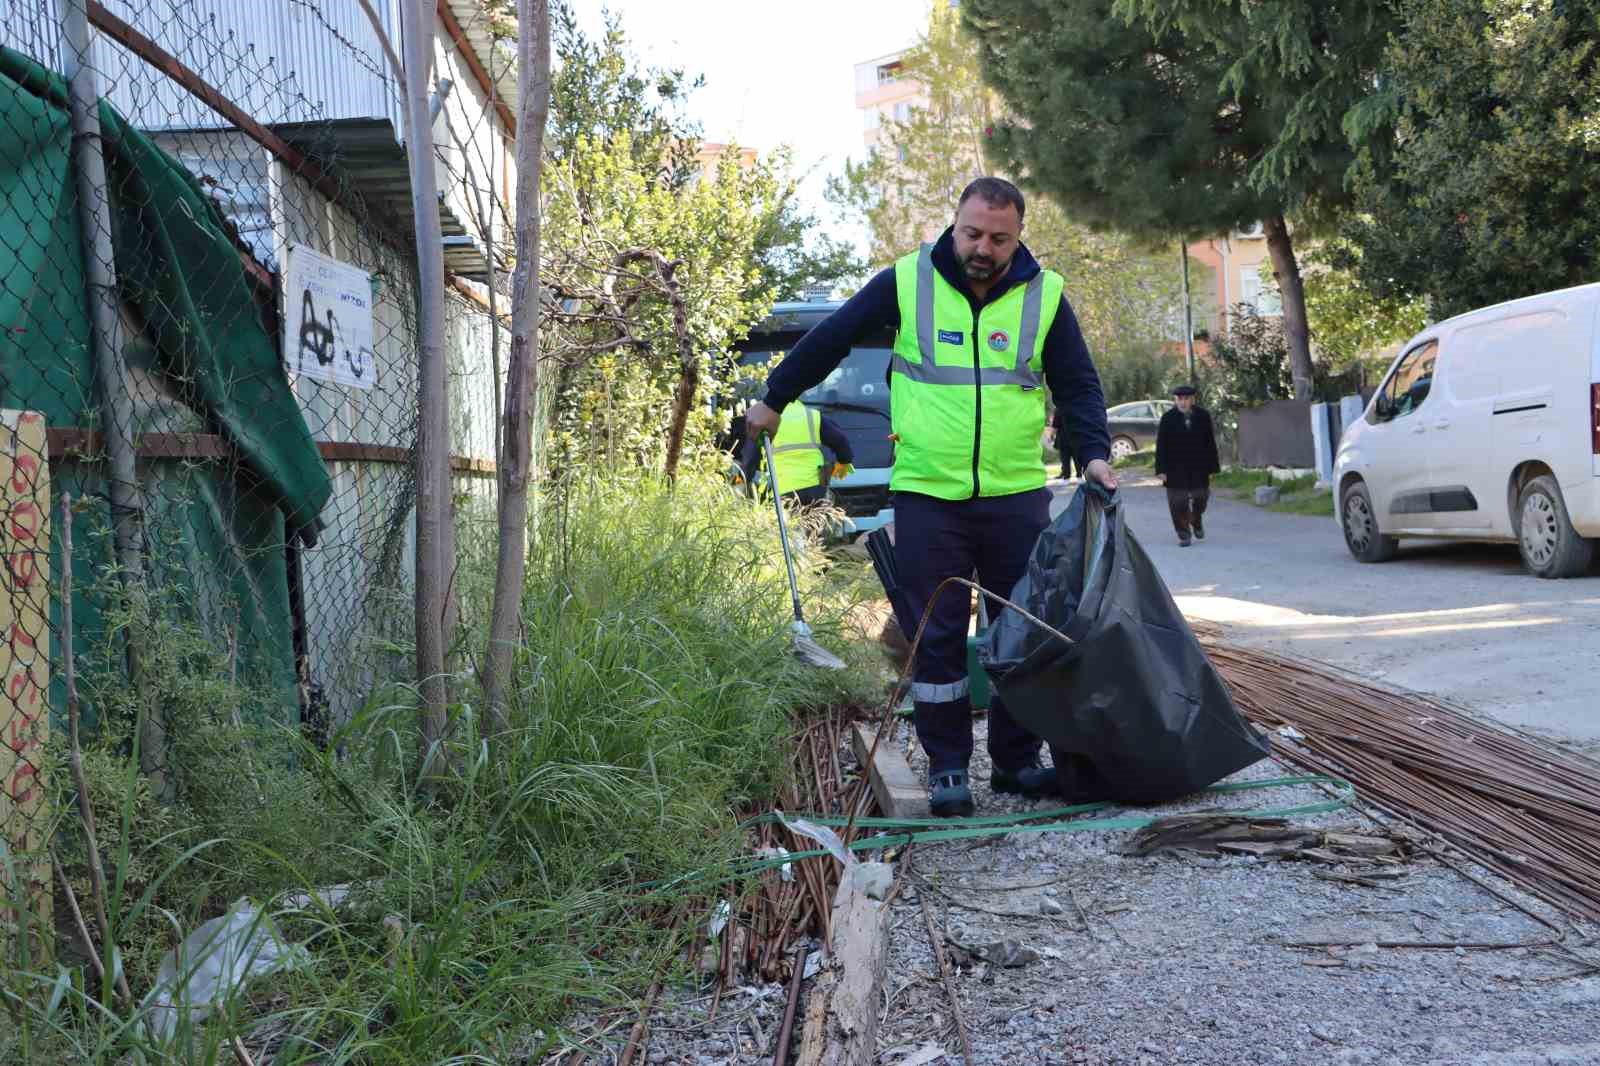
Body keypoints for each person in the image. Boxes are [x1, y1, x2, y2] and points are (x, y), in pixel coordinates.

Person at [744, 176, 1118, 817]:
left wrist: (1096, 456)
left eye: (1000, 239)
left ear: (1018, 237)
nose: (983, 248)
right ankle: (948, 769)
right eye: (973, 233)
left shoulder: (1044, 296)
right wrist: (775, 397)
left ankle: (1016, 762)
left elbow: (1078, 385)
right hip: (927, 494)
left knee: (1017, 633)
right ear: (955, 224)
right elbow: (832, 336)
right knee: (937, 639)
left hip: (1015, 494)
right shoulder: (908, 281)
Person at [738, 403, 854, 506]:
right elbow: (841, 441)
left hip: (783, 490)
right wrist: (844, 461)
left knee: (790, 529)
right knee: (816, 526)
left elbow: (750, 458)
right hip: (817, 489)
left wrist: (740, 479)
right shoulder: (812, 416)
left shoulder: (765, 420)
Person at [1154, 384, 1221, 546]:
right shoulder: (1168, 418)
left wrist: (1213, 467)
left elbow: (1209, 442)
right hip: (1174, 467)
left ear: (1192, 400)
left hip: (1199, 467)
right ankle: (1184, 534)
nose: (1182, 402)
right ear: (1175, 400)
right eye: (1179, 399)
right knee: (1177, 502)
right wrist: (1161, 469)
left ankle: (1196, 520)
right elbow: (1161, 445)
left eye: (1186, 399)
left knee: (1201, 498)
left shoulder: (1203, 416)